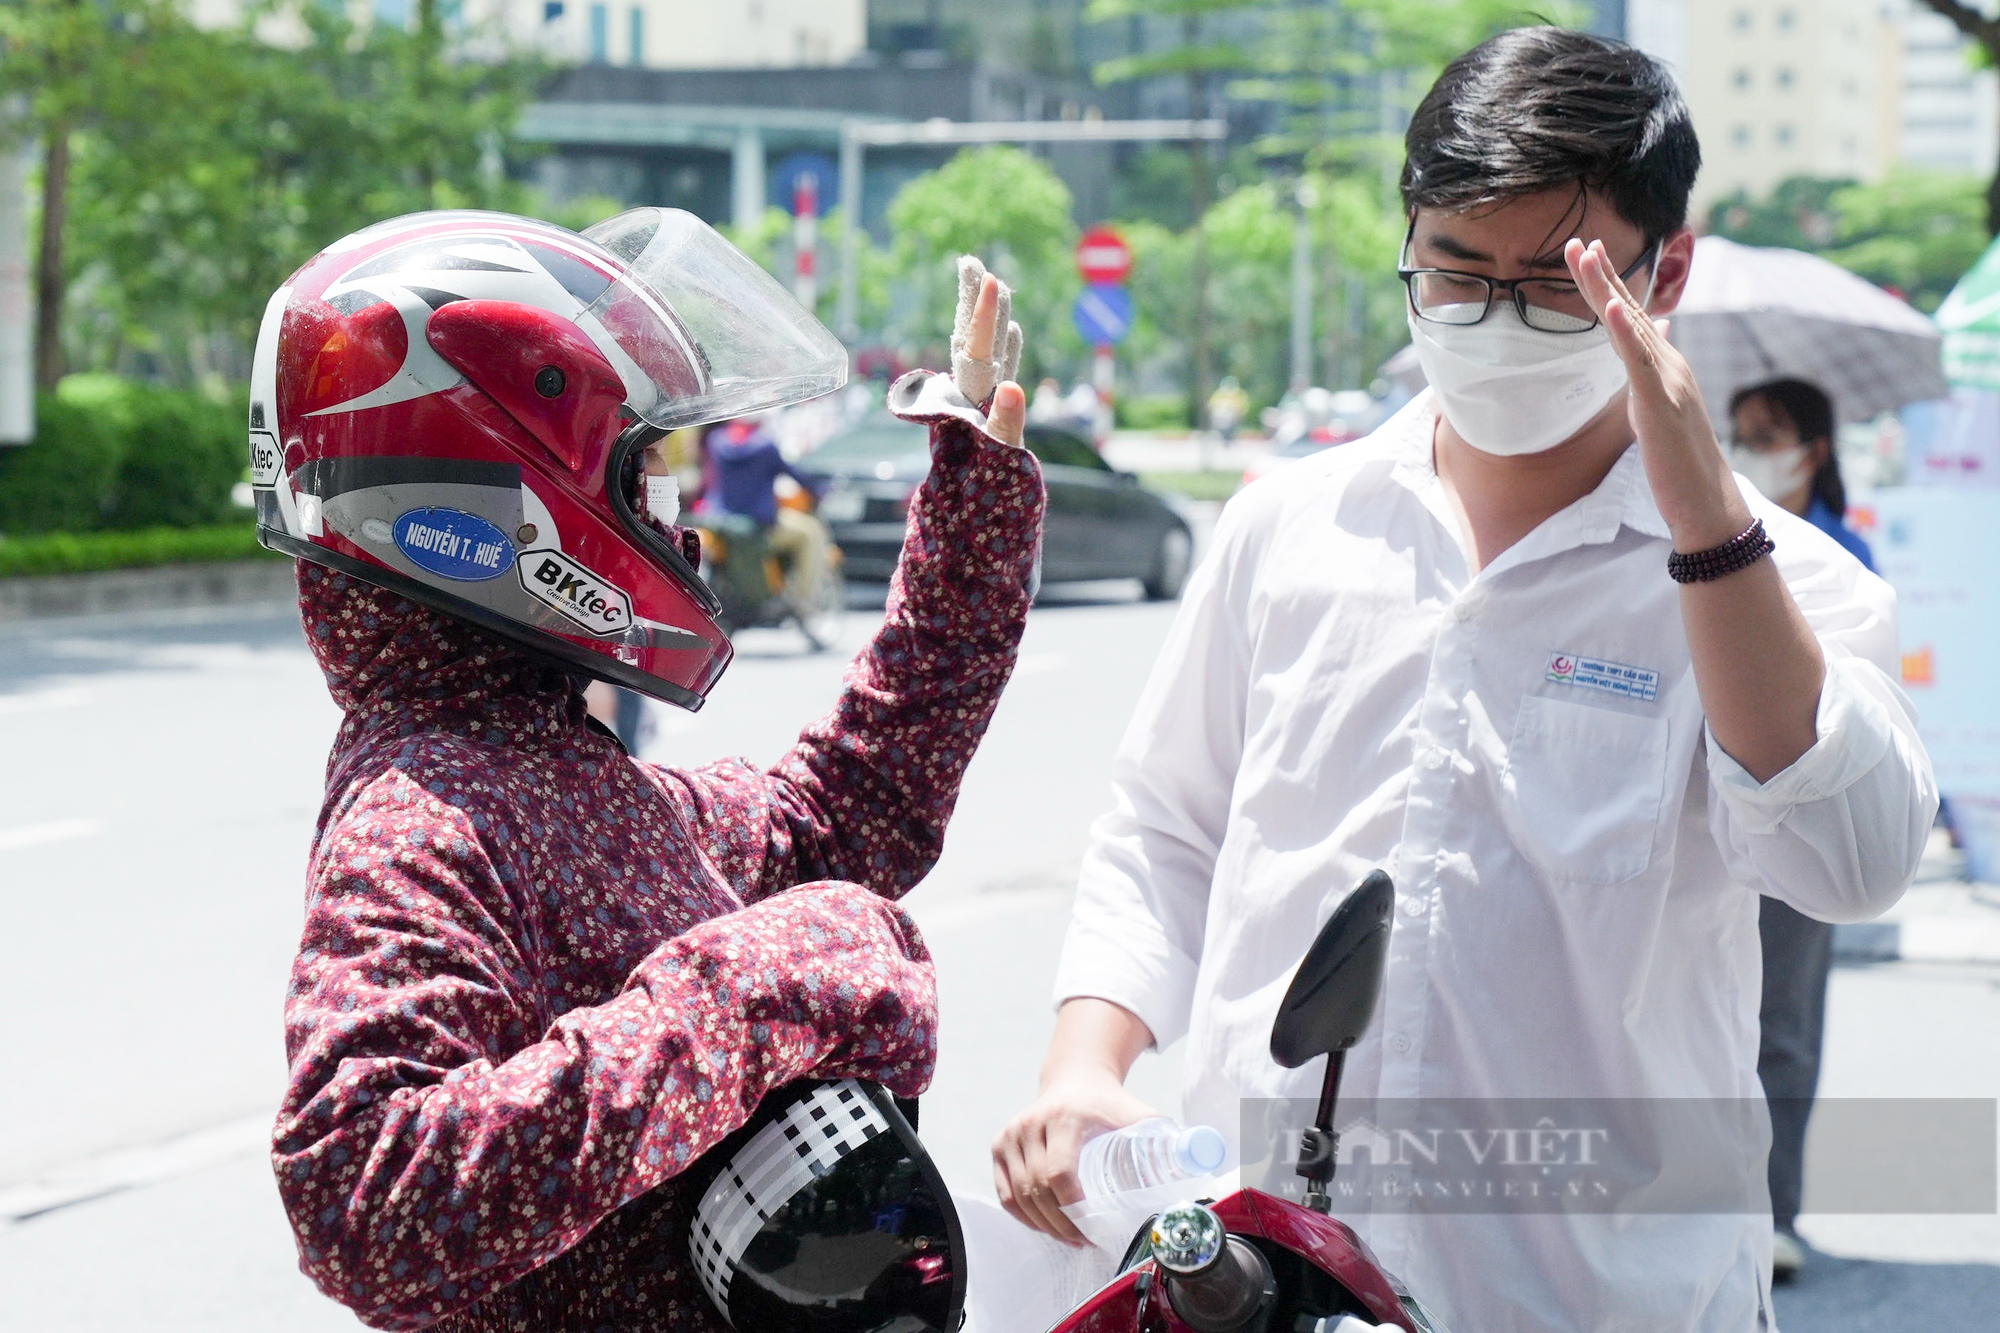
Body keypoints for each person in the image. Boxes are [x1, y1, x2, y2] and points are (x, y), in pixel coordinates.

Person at [993, 29, 1934, 1333]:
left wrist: (1711, 526)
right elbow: (1168, 826)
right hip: (1263, 1278)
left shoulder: (1784, 585)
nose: (1500, 322)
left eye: (1559, 283)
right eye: (1457, 270)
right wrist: (1084, 1062)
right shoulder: (1292, 526)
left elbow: (1855, 860)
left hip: (1598, 1293)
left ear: (1669, 273)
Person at [256, 208, 1039, 1331]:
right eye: (645, 477)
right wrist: (741, 996)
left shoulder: (563, 771)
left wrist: (976, 493)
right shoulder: (422, 822)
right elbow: (367, 1201)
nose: (677, 521)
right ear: (499, 503)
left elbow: (852, 809)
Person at [1727, 377, 1874, 1282]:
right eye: (1736, 432)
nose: (1748, 448)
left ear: (1813, 449)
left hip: (1801, 799)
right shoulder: (1703, 519)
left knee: (1779, 1017)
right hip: (1716, 795)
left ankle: (1774, 1212)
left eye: (1767, 434)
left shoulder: (1844, 554)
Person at [1729, 378, 1875, 570]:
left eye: (1764, 439)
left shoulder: (1847, 555)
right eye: (1738, 442)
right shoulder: (1715, 539)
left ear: (1814, 453)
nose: (1745, 454)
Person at [701, 415, 832, 609]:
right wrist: (820, 489)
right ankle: (801, 600)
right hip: (758, 525)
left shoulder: (716, 442)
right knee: (811, 532)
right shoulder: (766, 447)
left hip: (722, 520)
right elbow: (795, 474)